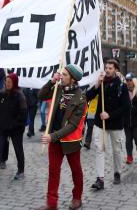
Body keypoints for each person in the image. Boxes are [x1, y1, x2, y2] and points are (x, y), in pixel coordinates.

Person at [38, 64, 87, 210]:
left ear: (73, 79)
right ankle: (51, 204)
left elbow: (72, 125)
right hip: (54, 138)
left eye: (65, 75)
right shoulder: (58, 88)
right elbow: (41, 95)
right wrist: (52, 81)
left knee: (76, 170)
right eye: (62, 74)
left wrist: (52, 136)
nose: (61, 76)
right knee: (53, 171)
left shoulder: (81, 97)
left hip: (71, 140)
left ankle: (77, 198)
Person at [86, 59, 128, 190]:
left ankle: (117, 172)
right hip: (100, 123)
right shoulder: (101, 83)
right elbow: (88, 96)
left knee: (117, 150)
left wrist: (110, 114)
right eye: (106, 68)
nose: (108, 70)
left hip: (115, 124)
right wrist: (98, 83)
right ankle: (100, 178)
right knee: (99, 149)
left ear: (115, 69)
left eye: (110, 68)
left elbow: (126, 106)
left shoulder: (121, 85)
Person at [0, 73, 27, 183]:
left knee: (18, 149)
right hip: (1, 127)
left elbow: (23, 115)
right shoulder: (1, 93)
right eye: (6, 82)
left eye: (9, 82)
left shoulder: (19, 96)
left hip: (16, 129)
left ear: (14, 83)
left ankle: (21, 171)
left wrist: (13, 124)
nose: (7, 84)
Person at [123, 73, 137, 165]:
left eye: (130, 80)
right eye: (127, 80)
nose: (128, 82)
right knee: (128, 140)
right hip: (126, 121)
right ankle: (129, 156)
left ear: (134, 81)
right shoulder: (124, 91)